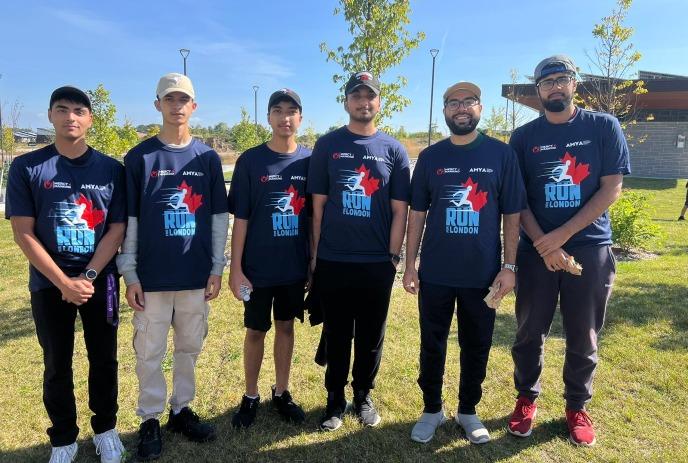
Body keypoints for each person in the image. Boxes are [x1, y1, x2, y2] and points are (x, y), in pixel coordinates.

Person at [507, 55, 630, 447]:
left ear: (575, 84)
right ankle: (526, 398)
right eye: (547, 82)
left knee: (584, 332)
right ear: (538, 90)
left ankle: (577, 405)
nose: (555, 87)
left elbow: (611, 187)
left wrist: (561, 236)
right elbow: (517, 199)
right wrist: (545, 244)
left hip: (590, 246)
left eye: (563, 79)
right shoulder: (523, 138)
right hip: (536, 250)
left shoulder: (603, 126)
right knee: (529, 330)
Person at [6, 86, 126, 463]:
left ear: (90, 119)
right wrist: (63, 282)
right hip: (49, 284)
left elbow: (117, 229)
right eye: (62, 110)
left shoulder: (111, 169)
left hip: (100, 282)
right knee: (57, 361)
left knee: (103, 358)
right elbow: (23, 232)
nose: (71, 117)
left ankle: (105, 429)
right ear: (50, 116)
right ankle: (63, 438)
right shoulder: (27, 167)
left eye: (79, 110)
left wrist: (88, 276)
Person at [403, 82, 526, 444]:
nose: (461, 108)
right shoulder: (430, 158)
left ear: (480, 108)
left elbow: (512, 216)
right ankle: (432, 409)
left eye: (468, 101)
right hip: (437, 273)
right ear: (444, 111)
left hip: (482, 274)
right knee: (433, 343)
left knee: (477, 343)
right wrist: (410, 265)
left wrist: (510, 266)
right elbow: (417, 215)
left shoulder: (501, 156)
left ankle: (469, 410)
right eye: (453, 102)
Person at [116, 73, 229, 460]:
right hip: (151, 279)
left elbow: (217, 219)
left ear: (193, 107)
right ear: (158, 105)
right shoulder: (139, 158)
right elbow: (129, 220)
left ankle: (181, 410)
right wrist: (129, 272)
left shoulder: (207, 159)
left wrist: (217, 267)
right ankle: (149, 418)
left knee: (188, 347)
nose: (177, 106)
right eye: (170, 99)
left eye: (184, 99)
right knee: (148, 350)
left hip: (195, 276)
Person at [308, 71, 411, 431]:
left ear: (379, 102)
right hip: (334, 260)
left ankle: (363, 394)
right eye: (357, 96)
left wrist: (393, 258)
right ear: (346, 101)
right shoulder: (328, 146)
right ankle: (334, 400)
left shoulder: (394, 150)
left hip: (376, 263)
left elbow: (401, 210)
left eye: (370, 96)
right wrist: (315, 257)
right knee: (337, 334)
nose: (363, 102)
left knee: (371, 336)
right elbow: (318, 208)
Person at [227, 88, 310, 428]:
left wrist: (312, 265)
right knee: (255, 331)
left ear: (300, 118)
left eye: (292, 111)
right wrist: (236, 270)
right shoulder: (250, 161)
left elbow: (316, 217)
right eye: (278, 110)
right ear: (269, 117)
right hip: (257, 270)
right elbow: (241, 219)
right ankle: (250, 395)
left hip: (293, 268)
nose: (285, 117)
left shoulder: (310, 161)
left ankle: (282, 392)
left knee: (286, 328)